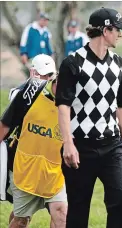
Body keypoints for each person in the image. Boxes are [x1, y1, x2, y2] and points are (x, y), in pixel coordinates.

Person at [55, 7, 122, 228]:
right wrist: (68, 144)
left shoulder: (119, 64)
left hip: (112, 147)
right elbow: (63, 106)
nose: (120, 34)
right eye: (117, 29)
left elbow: (121, 107)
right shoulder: (73, 63)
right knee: (78, 212)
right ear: (105, 29)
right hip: (80, 147)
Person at [0, 54, 67, 228]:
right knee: (21, 219)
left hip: (54, 170)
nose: (46, 79)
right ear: (32, 72)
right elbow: (5, 125)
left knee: (61, 212)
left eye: (49, 74)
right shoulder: (25, 94)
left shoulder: (72, 100)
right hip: (26, 167)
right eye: (42, 74)